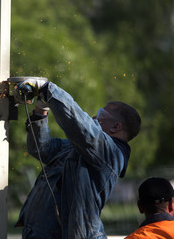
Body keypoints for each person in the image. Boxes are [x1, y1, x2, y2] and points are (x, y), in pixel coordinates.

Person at [13, 78, 142, 239]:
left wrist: (48, 89)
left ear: (116, 127)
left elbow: (81, 127)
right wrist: (41, 110)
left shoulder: (111, 154)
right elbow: (41, 149)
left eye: (101, 114)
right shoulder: (78, 148)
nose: (95, 116)